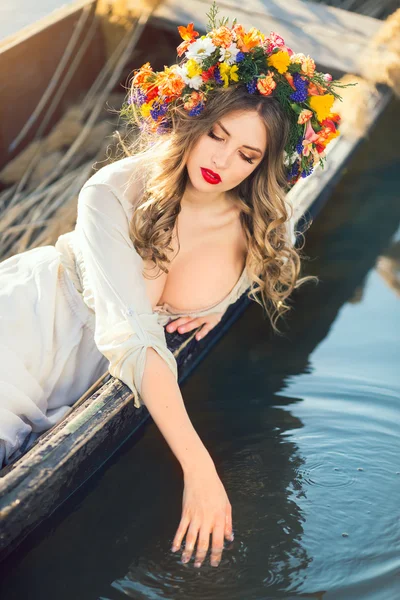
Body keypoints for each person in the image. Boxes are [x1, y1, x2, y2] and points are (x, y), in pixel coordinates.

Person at [0, 3, 344, 568]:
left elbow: (249, 273)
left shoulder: (264, 221)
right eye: (217, 134)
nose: (222, 161)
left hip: (99, 366)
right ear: (195, 118)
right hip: (35, 327)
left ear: (263, 165)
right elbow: (134, 339)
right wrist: (200, 467)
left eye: (247, 154)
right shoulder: (112, 190)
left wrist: (217, 300)